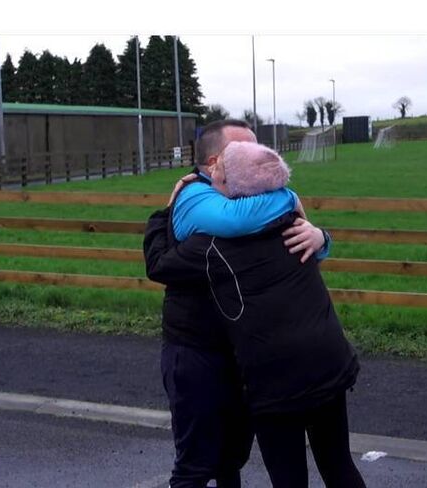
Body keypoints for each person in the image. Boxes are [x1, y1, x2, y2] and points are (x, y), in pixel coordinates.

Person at [145, 140, 365, 487]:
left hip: (275, 377)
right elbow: (290, 202)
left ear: (232, 184)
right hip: (327, 361)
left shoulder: (212, 245)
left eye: (218, 169)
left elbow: (158, 265)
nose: (209, 172)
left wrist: (165, 212)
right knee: (338, 465)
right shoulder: (293, 223)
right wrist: (322, 236)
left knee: (290, 478)